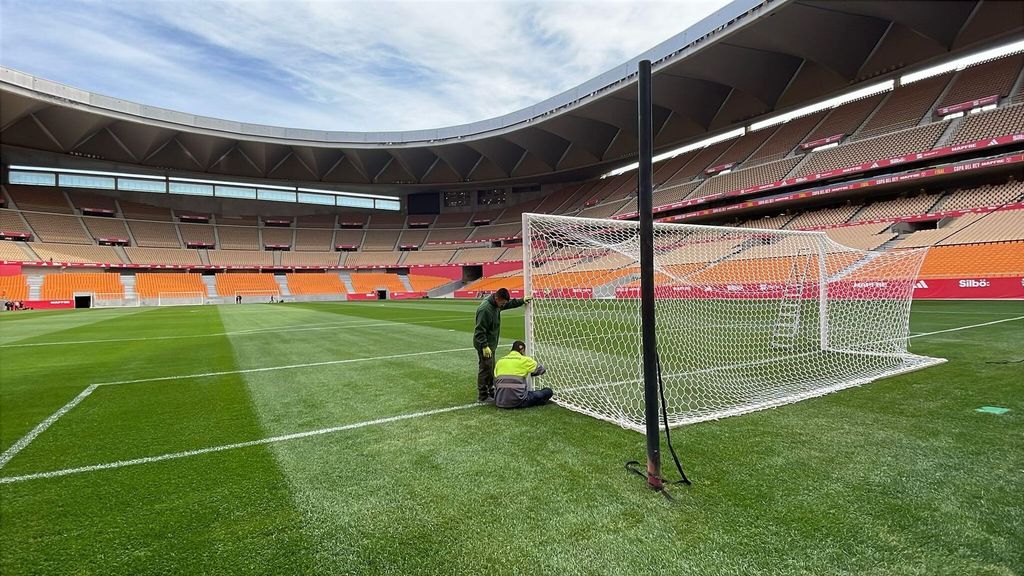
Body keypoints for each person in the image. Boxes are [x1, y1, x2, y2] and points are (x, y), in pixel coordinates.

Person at [473, 287, 531, 403]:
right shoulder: (485, 309)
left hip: (491, 344)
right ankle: (483, 395)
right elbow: (479, 331)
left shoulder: (497, 304)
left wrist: (522, 300)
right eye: (502, 303)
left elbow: (509, 304)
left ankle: (491, 391)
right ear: (497, 298)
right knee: (485, 369)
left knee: (490, 368)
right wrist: (484, 346)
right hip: (484, 344)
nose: (503, 305)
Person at [493, 340, 553, 409]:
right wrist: (531, 372)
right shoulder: (525, 360)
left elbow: (495, 380)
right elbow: (542, 370)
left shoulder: (500, 361)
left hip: (499, 401)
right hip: (519, 401)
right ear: (522, 350)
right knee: (548, 391)